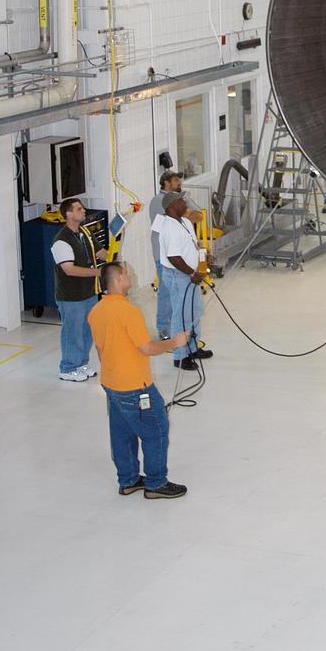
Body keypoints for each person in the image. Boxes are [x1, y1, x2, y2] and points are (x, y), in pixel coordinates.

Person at [88, 261, 189, 499]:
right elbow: (147, 348)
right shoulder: (128, 312)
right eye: (126, 272)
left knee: (122, 433)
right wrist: (176, 342)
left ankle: (129, 480)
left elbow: (101, 350)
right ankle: (155, 483)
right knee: (157, 429)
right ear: (119, 279)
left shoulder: (96, 311)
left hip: (111, 383)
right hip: (135, 387)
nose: (130, 274)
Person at [51, 197, 108, 382]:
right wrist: (98, 272)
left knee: (86, 330)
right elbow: (69, 269)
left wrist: (113, 261)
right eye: (78, 209)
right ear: (68, 214)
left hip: (88, 292)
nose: (83, 211)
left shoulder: (84, 232)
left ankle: (81, 362)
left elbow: (100, 252)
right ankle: (68, 367)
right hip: (71, 296)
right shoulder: (61, 240)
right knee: (72, 331)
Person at [158, 194, 212, 371]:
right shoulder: (169, 227)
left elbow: (194, 245)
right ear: (172, 205)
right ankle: (180, 356)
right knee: (181, 315)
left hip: (190, 274)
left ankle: (193, 348)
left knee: (195, 310)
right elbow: (173, 257)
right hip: (178, 275)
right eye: (181, 201)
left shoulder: (185, 222)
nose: (185, 203)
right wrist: (191, 273)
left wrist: (204, 257)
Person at [149, 171, 202, 340]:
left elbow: (198, 216)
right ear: (166, 182)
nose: (179, 182)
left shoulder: (178, 199)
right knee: (166, 292)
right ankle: (164, 327)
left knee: (184, 298)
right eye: (175, 179)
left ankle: (181, 329)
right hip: (165, 256)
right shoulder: (160, 201)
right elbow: (186, 215)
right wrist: (186, 211)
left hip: (182, 256)